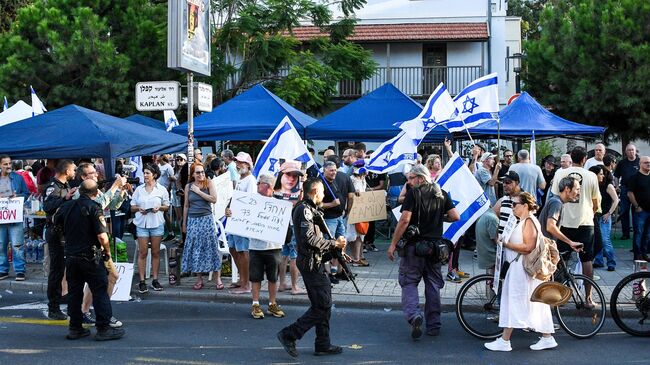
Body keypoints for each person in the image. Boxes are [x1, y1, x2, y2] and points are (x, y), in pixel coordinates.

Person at [387, 164, 459, 339]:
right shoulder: (441, 193)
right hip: (435, 249)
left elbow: (404, 220)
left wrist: (393, 244)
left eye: (411, 178)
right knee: (433, 285)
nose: (409, 182)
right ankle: (434, 325)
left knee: (409, 282)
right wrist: (438, 217)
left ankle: (414, 315)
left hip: (414, 247)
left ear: (421, 178)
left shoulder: (414, 193)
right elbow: (455, 216)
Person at [277, 178, 347, 358]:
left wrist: (335, 250)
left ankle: (323, 343)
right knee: (322, 304)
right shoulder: (303, 210)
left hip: (316, 261)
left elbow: (316, 241)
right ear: (315, 191)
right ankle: (289, 334)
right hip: (310, 264)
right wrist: (333, 244)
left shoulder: (311, 209)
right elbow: (309, 239)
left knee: (323, 304)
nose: (324, 195)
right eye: (322, 192)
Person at [484, 192, 556, 352]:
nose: (512, 207)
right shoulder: (524, 220)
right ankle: (547, 337)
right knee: (531, 303)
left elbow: (528, 247)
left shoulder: (529, 221)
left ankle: (505, 341)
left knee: (514, 301)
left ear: (525, 206)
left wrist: (507, 244)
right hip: (519, 268)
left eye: (514, 204)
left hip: (521, 269)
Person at [54, 179, 125, 341]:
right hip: (90, 257)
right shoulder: (95, 208)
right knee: (100, 292)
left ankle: (75, 328)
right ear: (95, 193)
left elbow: (54, 223)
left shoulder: (66, 206)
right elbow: (102, 236)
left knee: (74, 293)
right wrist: (107, 253)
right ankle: (103, 328)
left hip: (71, 257)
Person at [74, 162, 127, 328]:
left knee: (110, 277)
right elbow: (99, 205)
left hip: (99, 244)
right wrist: (114, 186)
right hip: (90, 245)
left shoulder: (96, 191)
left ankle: (91, 312)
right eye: (92, 173)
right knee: (105, 278)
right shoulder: (79, 194)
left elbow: (112, 205)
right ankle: (103, 315)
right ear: (83, 177)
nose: (96, 175)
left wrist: (121, 192)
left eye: (96, 172)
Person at [550, 147, 600, 307]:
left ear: (571, 157)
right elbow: (596, 202)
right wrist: (589, 213)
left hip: (563, 222)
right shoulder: (591, 175)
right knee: (587, 259)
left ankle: (558, 296)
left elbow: (555, 196)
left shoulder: (560, 173)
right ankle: (588, 298)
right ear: (585, 159)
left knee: (560, 259)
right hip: (585, 222)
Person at [43, 159, 77, 320]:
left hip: (66, 232)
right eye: (73, 170)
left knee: (64, 269)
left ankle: (62, 295)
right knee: (56, 270)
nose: (75, 173)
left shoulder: (65, 186)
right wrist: (65, 199)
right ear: (66, 171)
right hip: (55, 232)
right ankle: (53, 307)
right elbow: (48, 206)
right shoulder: (53, 187)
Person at [249, 174, 286, 319]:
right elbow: (239, 217)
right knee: (256, 277)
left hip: (273, 246)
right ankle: (255, 304)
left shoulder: (279, 204)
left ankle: (272, 304)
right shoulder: (251, 201)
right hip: (256, 247)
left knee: (273, 277)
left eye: (260, 183)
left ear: (268, 186)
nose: (257, 185)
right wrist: (230, 213)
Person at [131, 163, 170, 293]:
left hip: (156, 223)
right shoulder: (139, 189)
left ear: (154, 175)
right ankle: (142, 281)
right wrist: (138, 208)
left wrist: (159, 208)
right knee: (142, 252)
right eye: (144, 173)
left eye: (148, 173)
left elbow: (167, 206)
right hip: (142, 223)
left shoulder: (161, 189)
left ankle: (155, 279)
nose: (145, 175)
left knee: (155, 252)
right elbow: (132, 206)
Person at [181, 163, 221, 290]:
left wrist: (199, 192)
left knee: (211, 247)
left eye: (202, 172)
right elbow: (186, 205)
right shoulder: (188, 186)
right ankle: (199, 278)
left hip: (206, 219)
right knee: (196, 248)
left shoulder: (208, 183)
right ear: (193, 174)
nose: (201, 174)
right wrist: (184, 223)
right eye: (198, 172)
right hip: (193, 220)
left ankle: (217, 278)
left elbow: (214, 199)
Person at [275, 161, 307, 295]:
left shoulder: (274, 190)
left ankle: (282, 284)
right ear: (281, 175)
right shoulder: (296, 190)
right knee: (293, 256)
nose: (292, 178)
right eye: (288, 174)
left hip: (280, 225)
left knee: (284, 254)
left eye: (295, 175)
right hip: (291, 226)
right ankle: (294, 287)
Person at [227, 152, 257, 294]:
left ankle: (246, 283)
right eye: (237, 162)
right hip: (234, 221)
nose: (238, 164)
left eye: (241, 162)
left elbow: (250, 201)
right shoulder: (240, 179)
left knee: (243, 251)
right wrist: (228, 208)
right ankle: (242, 279)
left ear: (248, 165)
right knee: (233, 249)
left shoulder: (250, 180)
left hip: (242, 222)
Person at [321, 161, 355, 281]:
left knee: (342, 243)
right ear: (324, 170)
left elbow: (351, 197)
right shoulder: (320, 182)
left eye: (335, 170)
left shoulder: (341, 178)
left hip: (340, 217)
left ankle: (338, 270)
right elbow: (317, 204)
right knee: (327, 245)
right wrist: (332, 204)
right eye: (331, 170)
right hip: (328, 219)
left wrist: (347, 211)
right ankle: (327, 273)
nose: (334, 172)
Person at [0, 155, 30, 281]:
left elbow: (27, 193)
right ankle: (3, 270)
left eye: (9, 163)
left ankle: (19, 271)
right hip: (1, 217)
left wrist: (17, 196)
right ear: (0, 165)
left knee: (17, 245)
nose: (8, 166)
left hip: (15, 215)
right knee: (1, 244)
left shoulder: (18, 177)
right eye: (5, 164)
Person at [589, 165, 619, 270]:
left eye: (602, 173)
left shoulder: (608, 185)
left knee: (605, 240)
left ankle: (611, 262)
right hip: (595, 215)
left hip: (604, 216)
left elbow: (616, 200)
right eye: (600, 173)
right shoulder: (593, 185)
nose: (602, 175)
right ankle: (599, 260)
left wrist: (609, 213)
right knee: (598, 239)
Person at [627, 156, 650, 261]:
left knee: (648, 234)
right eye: (646, 162)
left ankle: (644, 253)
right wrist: (636, 206)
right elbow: (630, 193)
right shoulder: (635, 177)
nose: (648, 164)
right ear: (640, 164)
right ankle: (637, 254)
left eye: (649, 162)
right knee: (639, 233)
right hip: (640, 211)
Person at [614, 143, 640, 240]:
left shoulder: (640, 161)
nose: (631, 152)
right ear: (626, 152)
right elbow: (616, 176)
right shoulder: (622, 163)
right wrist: (617, 186)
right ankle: (626, 233)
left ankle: (637, 233)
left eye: (632, 150)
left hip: (638, 190)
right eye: (629, 150)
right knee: (624, 211)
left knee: (636, 211)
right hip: (625, 189)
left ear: (635, 151)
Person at [493, 171, 522, 235]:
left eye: (507, 182)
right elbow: (492, 217)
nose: (504, 185)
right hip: (501, 243)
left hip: (516, 243)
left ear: (517, 183)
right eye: (503, 182)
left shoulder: (524, 200)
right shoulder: (503, 199)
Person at [157, 155, 176, 242]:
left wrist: (168, 190)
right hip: (157, 192)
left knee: (164, 213)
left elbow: (172, 179)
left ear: (162, 157)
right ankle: (161, 233)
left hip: (165, 192)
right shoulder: (158, 166)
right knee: (159, 213)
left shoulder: (168, 167)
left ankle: (170, 232)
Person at [475, 209, 499, 274]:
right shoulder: (493, 218)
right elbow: (495, 239)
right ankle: (489, 283)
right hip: (490, 254)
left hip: (483, 251)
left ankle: (488, 282)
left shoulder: (485, 214)